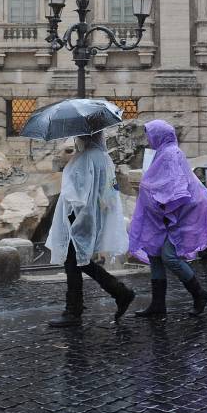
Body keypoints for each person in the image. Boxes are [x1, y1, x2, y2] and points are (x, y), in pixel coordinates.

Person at [126, 120, 207, 318]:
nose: (148, 139)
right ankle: (158, 305)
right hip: (165, 213)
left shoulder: (170, 154)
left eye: (150, 134)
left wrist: (163, 205)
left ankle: (199, 294)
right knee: (155, 253)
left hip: (180, 212)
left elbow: (176, 186)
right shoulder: (164, 152)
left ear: (159, 135)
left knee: (169, 256)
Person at [45, 130, 134, 327]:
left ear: (84, 136)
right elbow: (109, 192)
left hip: (78, 219)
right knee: (79, 262)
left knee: (73, 262)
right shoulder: (103, 158)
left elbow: (76, 195)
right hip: (92, 217)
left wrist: (71, 218)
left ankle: (74, 311)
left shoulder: (84, 159)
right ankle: (118, 293)